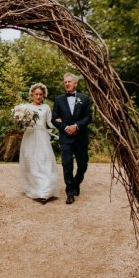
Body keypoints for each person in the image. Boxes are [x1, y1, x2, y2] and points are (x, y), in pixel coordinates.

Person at [52, 73, 92, 205]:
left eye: (69, 82)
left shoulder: (84, 98)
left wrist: (76, 126)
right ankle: (70, 192)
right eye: (65, 82)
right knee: (67, 165)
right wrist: (64, 127)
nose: (67, 84)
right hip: (65, 138)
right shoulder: (58, 100)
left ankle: (76, 182)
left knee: (83, 164)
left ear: (76, 84)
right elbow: (54, 119)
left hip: (80, 137)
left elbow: (88, 118)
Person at [18, 83, 59, 204]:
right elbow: (22, 123)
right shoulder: (25, 107)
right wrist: (20, 121)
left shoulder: (46, 107)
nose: (38, 96)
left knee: (44, 162)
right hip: (30, 136)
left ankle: (45, 192)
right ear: (32, 95)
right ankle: (34, 188)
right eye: (36, 94)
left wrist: (60, 125)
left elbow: (49, 123)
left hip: (42, 137)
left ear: (43, 95)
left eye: (41, 94)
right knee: (31, 163)